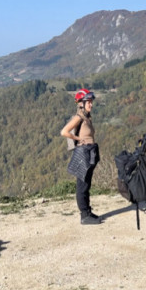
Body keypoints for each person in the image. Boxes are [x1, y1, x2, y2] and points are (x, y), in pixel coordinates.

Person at [61, 89, 101, 225]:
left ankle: (88, 211)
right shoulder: (78, 117)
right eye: (88, 102)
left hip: (89, 152)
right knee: (82, 185)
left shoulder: (86, 117)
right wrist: (78, 138)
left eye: (91, 102)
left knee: (86, 184)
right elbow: (64, 131)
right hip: (83, 153)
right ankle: (84, 215)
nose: (91, 104)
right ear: (81, 103)